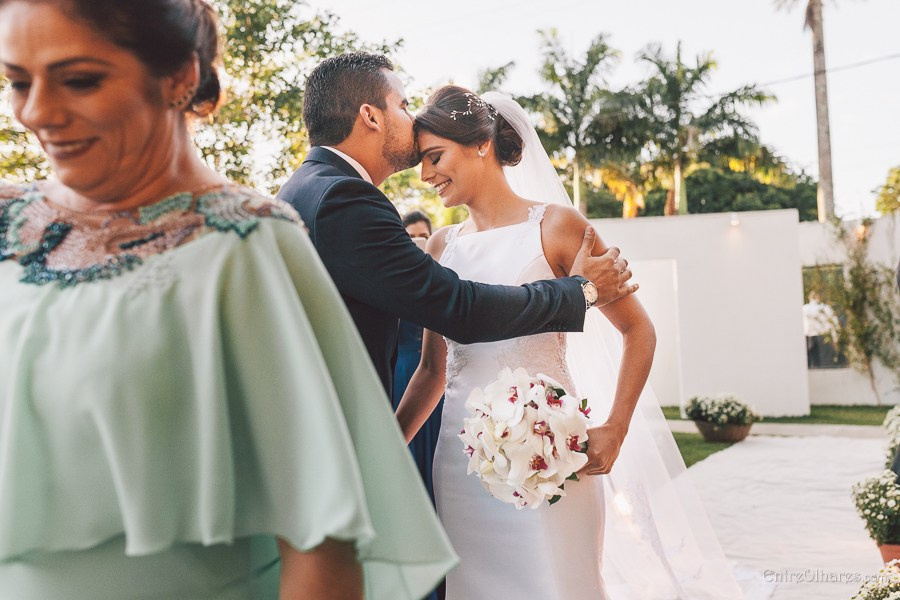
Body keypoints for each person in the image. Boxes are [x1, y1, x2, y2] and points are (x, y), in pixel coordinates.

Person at [0, 1, 455, 598]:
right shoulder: (9, 221)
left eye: (80, 80)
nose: (37, 112)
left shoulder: (249, 245)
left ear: (179, 77)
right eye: (16, 81)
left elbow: (322, 548)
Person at [396, 87, 745, 599]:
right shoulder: (442, 246)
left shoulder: (558, 228)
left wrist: (617, 427)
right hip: (461, 464)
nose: (425, 176)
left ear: (480, 146)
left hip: (552, 457)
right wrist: (388, 446)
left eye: (434, 157)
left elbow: (638, 329)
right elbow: (431, 370)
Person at [276, 52, 638, 404]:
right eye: (403, 105)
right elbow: (459, 313)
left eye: (436, 156)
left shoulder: (301, 189)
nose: (410, 117)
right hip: (349, 425)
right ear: (370, 116)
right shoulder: (347, 198)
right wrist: (581, 292)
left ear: (483, 145)